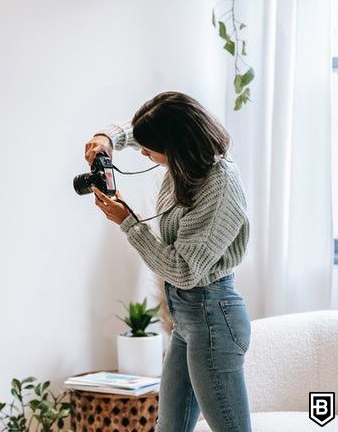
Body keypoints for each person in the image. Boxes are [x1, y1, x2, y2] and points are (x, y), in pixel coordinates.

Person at [84, 91, 253, 432]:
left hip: (212, 319)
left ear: (176, 146)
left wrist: (127, 222)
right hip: (188, 319)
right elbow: (136, 131)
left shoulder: (219, 187)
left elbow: (185, 270)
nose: (143, 153)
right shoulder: (192, 161)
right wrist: (106, 139)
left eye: (150, 148)